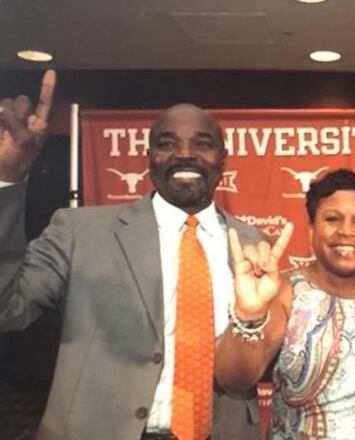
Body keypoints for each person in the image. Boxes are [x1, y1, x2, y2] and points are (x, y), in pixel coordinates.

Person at [0, 71, 269, 439]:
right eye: (167, 143)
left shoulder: (254, 244)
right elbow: (7, 309)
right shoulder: (79, 232)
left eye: (203, 143)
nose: (184, 154)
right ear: (149, 157)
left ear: (223, 158)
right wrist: (7, 176)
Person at [215, 169, 355, 440]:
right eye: (332, 219)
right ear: (311, 228)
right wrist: (249, 313)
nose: (347, 231)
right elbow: (233, 381)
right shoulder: (286, 290)